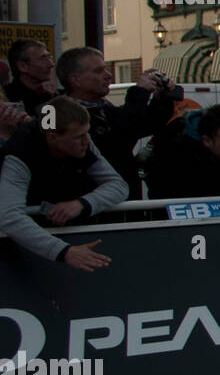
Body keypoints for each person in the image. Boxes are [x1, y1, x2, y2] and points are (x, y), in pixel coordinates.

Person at [0, 97, 126, 272]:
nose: (86, 142)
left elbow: (118, 185)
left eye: (86, 133)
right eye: (79, 137)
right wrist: (64, 251)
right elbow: (8, 216)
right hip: (22, 254)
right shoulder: (19, 154)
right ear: (52, 137)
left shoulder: (81, 143)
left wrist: (82, 204)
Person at [56, 47, 176, 200]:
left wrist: (162, 99)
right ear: (75, 79)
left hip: (123, 198)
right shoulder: (56, 113)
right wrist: (139, 92)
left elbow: (145, 125)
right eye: (98, 71)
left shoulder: (103, 108)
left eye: (106, 69)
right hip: (90, 201)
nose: (108, 75)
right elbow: (120, 136)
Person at [4, 38, 56, 116]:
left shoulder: (50, 99)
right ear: (23, 66)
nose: (51, 64)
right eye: (43, 59)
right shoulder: (5, 99)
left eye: (50, 58)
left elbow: (49, 127)